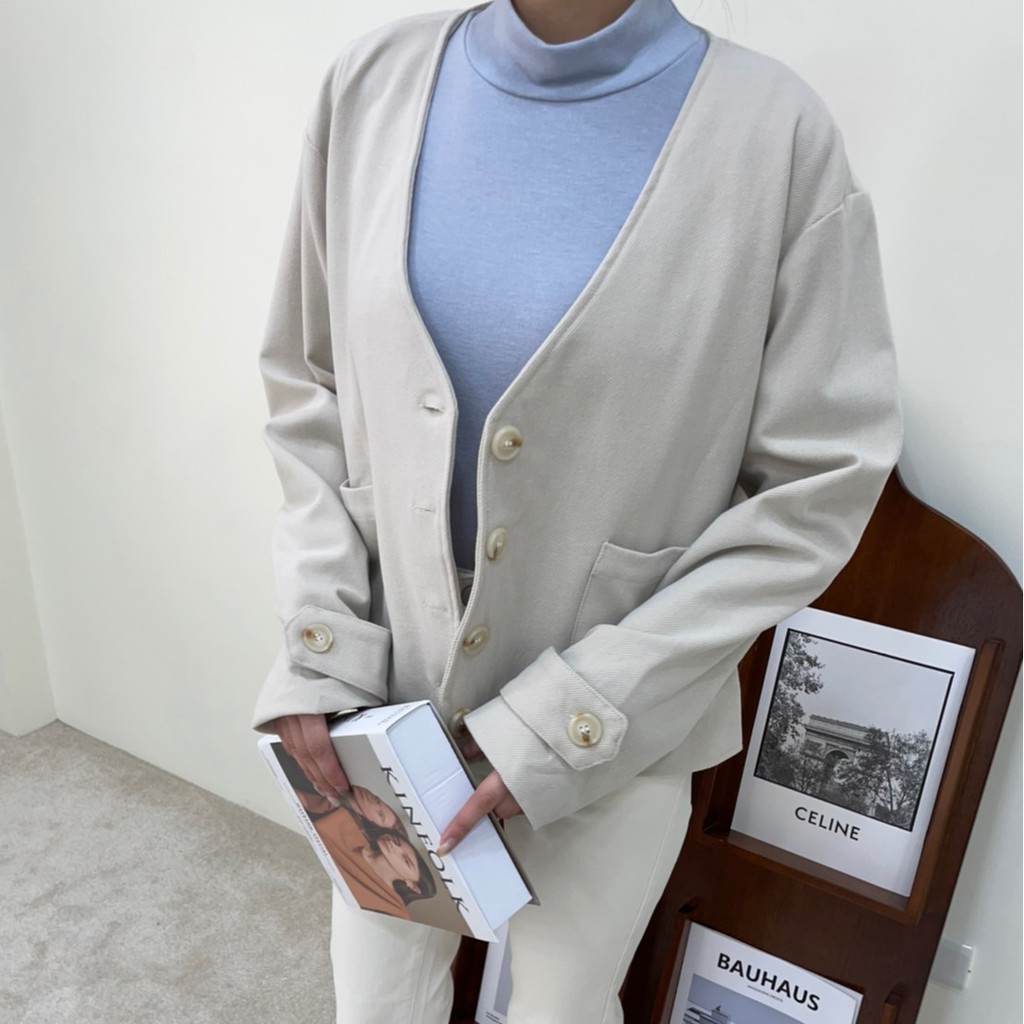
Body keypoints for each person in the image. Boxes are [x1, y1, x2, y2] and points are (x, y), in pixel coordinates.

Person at [252, 0, 903, 1020]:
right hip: (382, 701)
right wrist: (318, 642)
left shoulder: (776, 135)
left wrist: (576, 720)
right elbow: (308, 389)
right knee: (373, 1005)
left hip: (624, 717)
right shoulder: (368, 87)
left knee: (563, 1009)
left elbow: (819, 479)